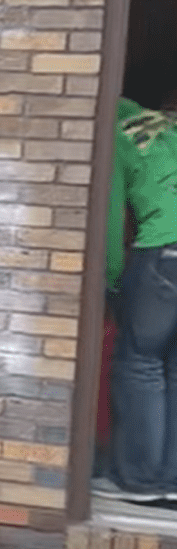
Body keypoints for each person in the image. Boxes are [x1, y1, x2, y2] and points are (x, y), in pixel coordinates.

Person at [101, 59, 177, 502]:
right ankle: (171, 478)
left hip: (164, 252)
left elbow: (109, 214)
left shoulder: (117, 129)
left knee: (141, 363)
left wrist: (110, 278)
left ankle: (141, 479)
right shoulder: (169, 130)